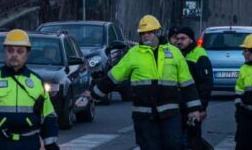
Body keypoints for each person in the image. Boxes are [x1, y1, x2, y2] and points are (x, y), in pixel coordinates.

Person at [90, 15, 202, 150]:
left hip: (170, 113)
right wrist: (93, 94)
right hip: (144, 115)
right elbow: (114, 77)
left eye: (149, 32)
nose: (146, 36)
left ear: (158, 33)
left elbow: (187, 83)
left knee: (174, 145)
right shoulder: (134, 54)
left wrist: (194, 109)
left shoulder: (174, 53)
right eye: (143, 33)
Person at [0, 29, 59, 150]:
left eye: (20, 51)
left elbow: (48, 116)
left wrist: (51, 145)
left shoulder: (37, 82)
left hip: (28, 144)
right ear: (4, 52)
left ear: (27, 54)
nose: (14, 54)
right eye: (10, 50)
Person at [169, 27, 212, 150]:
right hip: (177, 107)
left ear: (191, 40)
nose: (179, 42)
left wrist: (202, 108)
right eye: (177, 39)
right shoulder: (176, 54)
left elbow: (205, 84)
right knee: (177, 139)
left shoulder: (199, 55)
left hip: (193, 108)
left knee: (192, 140)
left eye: (183, 38)